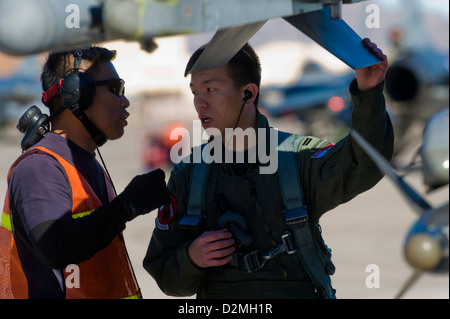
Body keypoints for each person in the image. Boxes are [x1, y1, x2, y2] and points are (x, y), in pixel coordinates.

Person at [143, 39, 394, 299]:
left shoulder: (298, 158)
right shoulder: (188, 175)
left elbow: (364, 164)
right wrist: (191, 258)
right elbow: (166, 276)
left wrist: (369, 92)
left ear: (248, 93)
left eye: (211, 89)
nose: (199, 103)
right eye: (195, 91)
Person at [0, 46, 170, 299]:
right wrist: (129, 204)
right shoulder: (40, 166)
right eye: (115, 89)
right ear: (77, 95)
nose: (125, 101)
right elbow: (56, 246)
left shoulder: (88, 165)